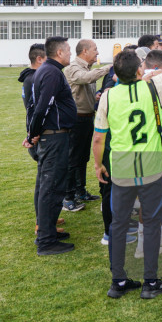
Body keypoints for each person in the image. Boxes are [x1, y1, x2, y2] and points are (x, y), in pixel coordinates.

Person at [92, 23, 162, 300]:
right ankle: (150, 282)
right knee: (152, 223)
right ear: (138, 71)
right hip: (151, 167)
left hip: (121, 167)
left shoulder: (108, 95)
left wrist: (98, 165)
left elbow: (98, 139)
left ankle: (118, 281)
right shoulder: (152, 86)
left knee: (119, 224)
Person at [28, 36, 78, 255]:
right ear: (59, 52)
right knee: (51, 187)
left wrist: (33, 133)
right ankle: (46, 241)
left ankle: (47, 231)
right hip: (54, 138)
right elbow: (41, 107)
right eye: (68, 50)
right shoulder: (51, 73)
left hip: (52, 137)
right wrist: (33, 133)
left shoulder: (48, 70)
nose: (70, 53)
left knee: (47, 185)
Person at [20, 43, 66, 236]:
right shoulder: (33, 79)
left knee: (45, 181)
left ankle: (46, 219)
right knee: (45, 182)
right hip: (42, 135)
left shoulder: (34, 77)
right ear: (39, 59)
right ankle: (42, 223)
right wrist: (33, 134)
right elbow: (35, 109)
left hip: (39, 132)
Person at [63, 39, 112, 212]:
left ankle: (80, 191)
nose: (97, 52)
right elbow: (85, 78)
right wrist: (110, 68)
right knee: (73, 159)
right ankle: (68, 197)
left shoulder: (86, 68)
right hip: (76, 120)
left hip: (86, 118)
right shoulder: (73, 68)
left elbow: (84, 88)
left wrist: (96, 96)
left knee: (82, 158)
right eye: (95, 49)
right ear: (85, 51)